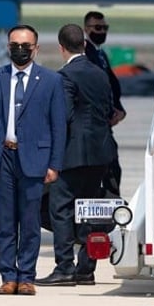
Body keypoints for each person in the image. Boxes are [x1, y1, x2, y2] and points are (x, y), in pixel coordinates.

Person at [0, 24, 67, 295]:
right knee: (5, 221)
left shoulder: (51, 81)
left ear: (36, 49)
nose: (20, 50)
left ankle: (27, 275)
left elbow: (58, 125)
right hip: (2, 155)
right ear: (7, 47)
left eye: (25, 46)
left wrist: (55, 164)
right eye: (15, 44)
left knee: (29, 221)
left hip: (34, 158)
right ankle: (8, 275)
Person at [36, 24, 117, 287]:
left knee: (60, 209)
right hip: (100, 153)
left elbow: (64, 117)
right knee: (89, 210)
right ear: (83, 44)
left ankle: (64, 267)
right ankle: (86, 268)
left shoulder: (64, 77)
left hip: (72, 155)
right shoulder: (100, 73)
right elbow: (108, 111)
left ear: (61, 48)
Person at [83, 11, 125, 198]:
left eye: (104, 28)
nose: (102, 31)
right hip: (96, 124)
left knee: (113, 170)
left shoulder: (100, 54)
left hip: (105, 123)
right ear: (86, 29)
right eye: (97, 28)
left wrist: (119, 109)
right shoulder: (85, 55)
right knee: (107, 170)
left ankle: (111, 209)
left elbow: (111, 83)